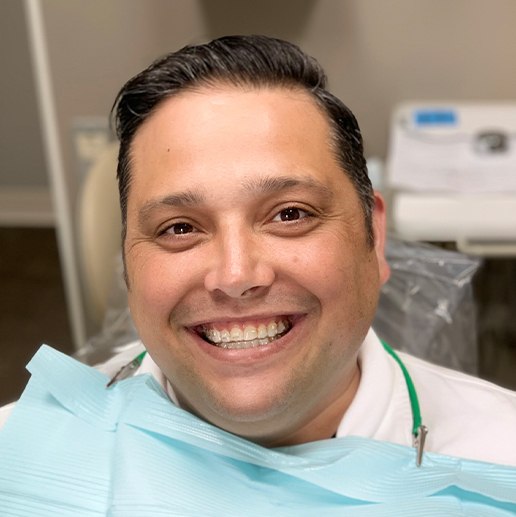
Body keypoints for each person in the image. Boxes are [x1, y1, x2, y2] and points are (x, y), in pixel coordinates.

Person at [1, 35, 515, 513]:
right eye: (179, 227)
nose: (235, 274)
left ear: (373, 238)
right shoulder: (19, 459)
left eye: (290, 214)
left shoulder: (497, 463)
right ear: (129, 261)